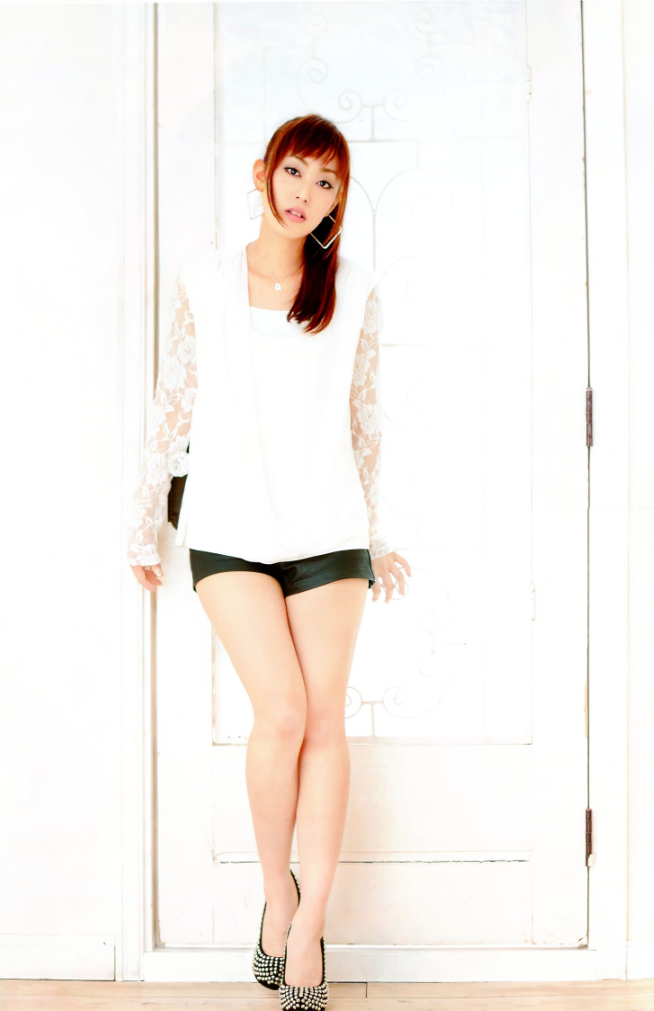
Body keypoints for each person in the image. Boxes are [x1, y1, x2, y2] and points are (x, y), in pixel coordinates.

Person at [125, 113, 410, 1010]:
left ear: (338, 200)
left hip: (328, 530)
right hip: (228, 527)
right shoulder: (206, 279)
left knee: (324, 720)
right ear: (262, 173)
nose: (306, 194)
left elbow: (365, 414)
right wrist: (145, 516)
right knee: (281, 711)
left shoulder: (352, 286)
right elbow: (176, 399)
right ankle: (275, 892)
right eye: (295, 172)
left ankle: (309, 924)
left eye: (327, 182)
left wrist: (378, 532)